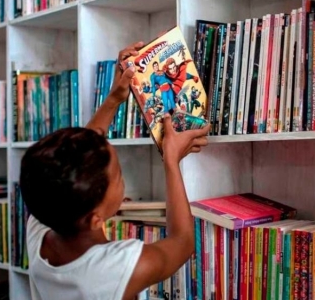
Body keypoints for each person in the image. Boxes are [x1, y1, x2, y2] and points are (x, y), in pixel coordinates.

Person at [19, 41, 210, 300]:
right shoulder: (115, 268)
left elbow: (86, 146)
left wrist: (114, 98)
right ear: (96, 218)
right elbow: (182, 242)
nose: (122, 179)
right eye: (119, 175)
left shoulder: (43, 222)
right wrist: (171, 160)